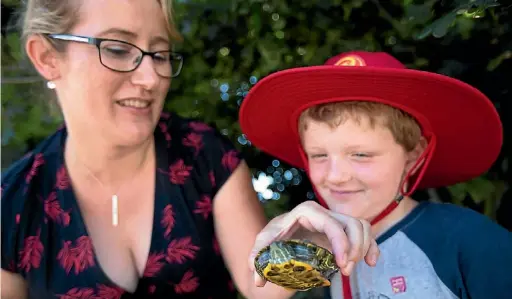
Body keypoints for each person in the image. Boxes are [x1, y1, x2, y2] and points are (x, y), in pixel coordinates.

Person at [0, 1, 380, 299]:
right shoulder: (12, 205)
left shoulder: (204, 156)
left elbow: (260, 283)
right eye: (117, 49)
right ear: (47, 57)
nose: (150, 78)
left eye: (160, 54)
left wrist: (317, 239)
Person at [239, 50, 512, 299]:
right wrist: (293, 245)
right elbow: (260, 294)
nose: (335, 176)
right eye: (319, 155)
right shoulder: (325, 254)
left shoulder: (470, 240)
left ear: (414, 155)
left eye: (361, 155)